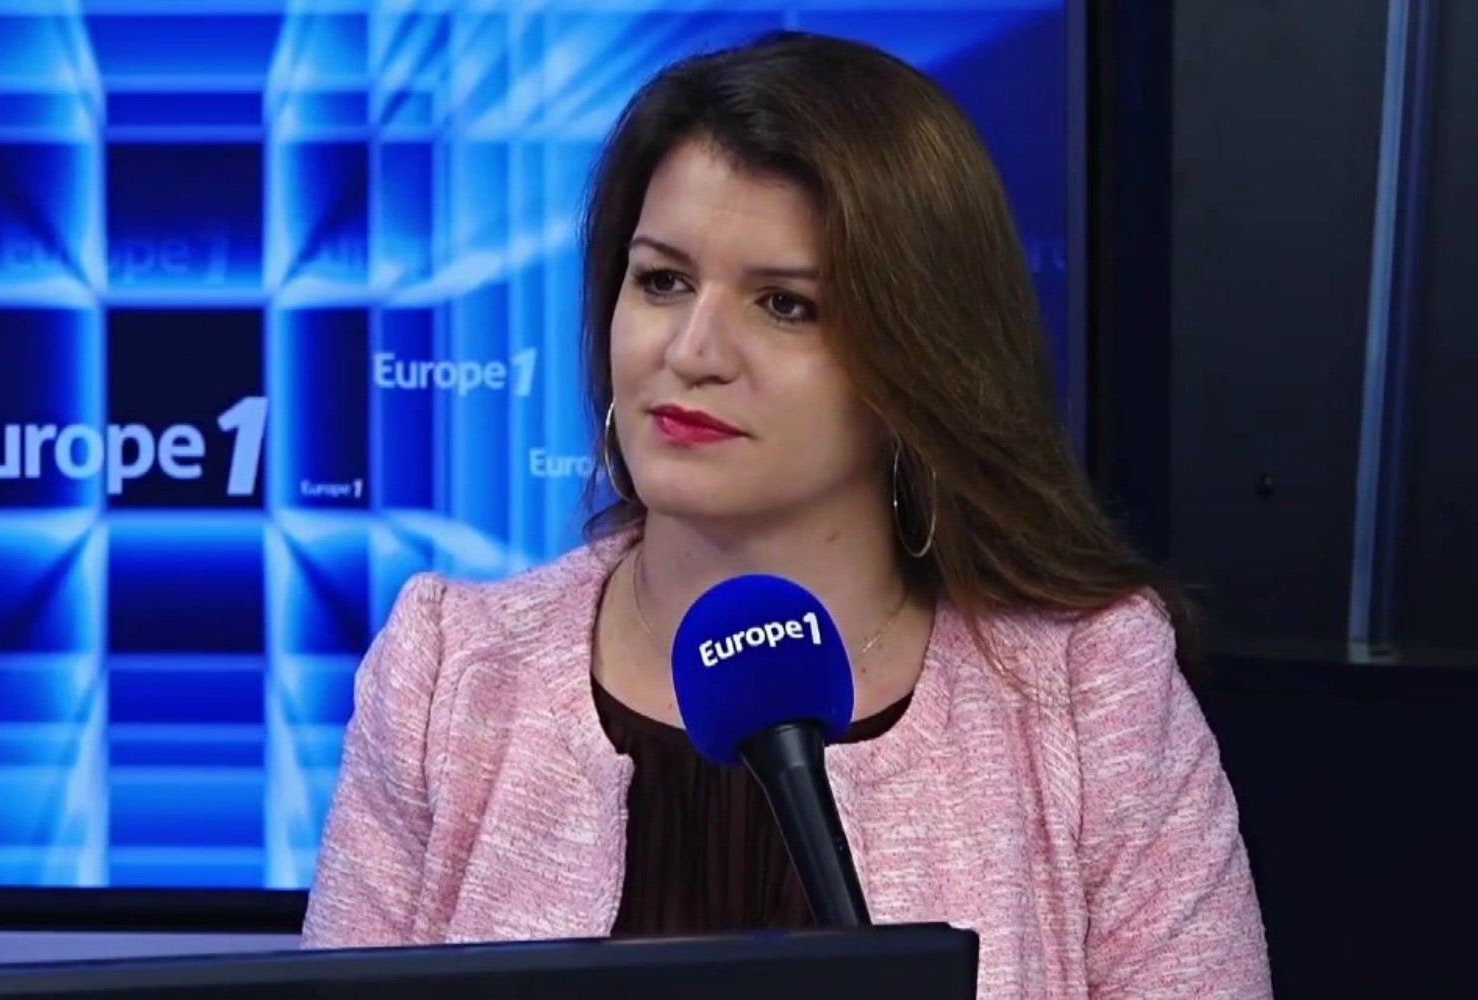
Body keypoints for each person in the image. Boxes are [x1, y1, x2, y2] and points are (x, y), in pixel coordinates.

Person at [303, 31, 1270, 998]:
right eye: (663, 281)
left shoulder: (1088, 690)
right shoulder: (450, 677)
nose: (692, 350)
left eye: (785, 305)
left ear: (920, 357)